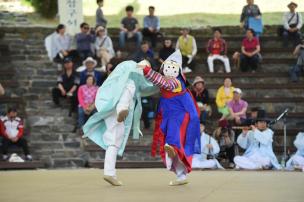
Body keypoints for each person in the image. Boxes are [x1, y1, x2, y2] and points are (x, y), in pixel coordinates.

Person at [82, 60, 157, 186]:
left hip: (111, 108)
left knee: (114, 140)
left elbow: (146, 87)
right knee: (130, 85)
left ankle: (109, 173)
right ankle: (121, 108)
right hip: (117, 103)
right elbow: (144, 77)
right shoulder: (130, 68)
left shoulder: (125, 75)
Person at [141, 50, 201, 186]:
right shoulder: (169, 79)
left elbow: (161, 81)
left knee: (172, 139)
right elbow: (157, 81)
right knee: (173, 146)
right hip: (169, 114)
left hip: (179, 115)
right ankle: (181, 176)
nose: (169, 71)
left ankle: (171, 145)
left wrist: (146, 69)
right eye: (166, 68)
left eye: (172, 68)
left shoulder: (176, 82)